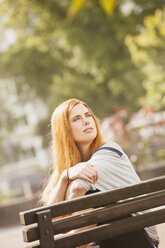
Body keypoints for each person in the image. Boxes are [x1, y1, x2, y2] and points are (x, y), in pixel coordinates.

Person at [40, 98, 159, 248]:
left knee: (94, 201)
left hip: (138, 238)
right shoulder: (71, 170)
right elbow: (52, 219)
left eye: (88, 115)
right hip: (105, 242)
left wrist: (68, 186)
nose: (86, 121)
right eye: (77, 119)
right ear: (65, 130)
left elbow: (76, 190)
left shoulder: (110, 151)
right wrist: (65, 176)